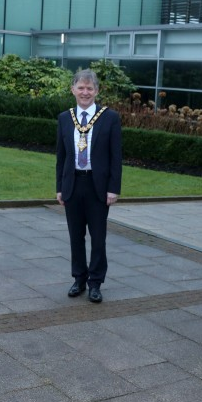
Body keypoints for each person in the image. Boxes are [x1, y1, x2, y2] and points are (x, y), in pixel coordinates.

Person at [56, 69, 122, 303]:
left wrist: (113, 188)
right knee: (75, 236)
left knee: (98, 237)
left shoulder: (110, 117)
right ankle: (79, 279)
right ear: (73, 89)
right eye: (81, 88)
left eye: (89, 88)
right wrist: (59, 187)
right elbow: (61, 156)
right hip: (73, 184)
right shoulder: (65, 118)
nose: (85, 92)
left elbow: (116, 156)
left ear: (96, 91)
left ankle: (96, 282)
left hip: (98, 186)